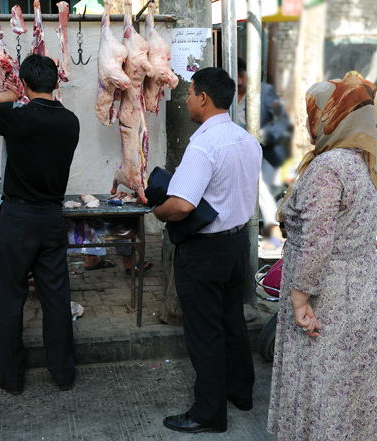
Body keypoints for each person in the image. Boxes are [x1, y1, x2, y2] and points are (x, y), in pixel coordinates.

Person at [267, 73, 377, 440]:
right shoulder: (369, 163)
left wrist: (300, 299)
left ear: (334, 117)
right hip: (363, 284)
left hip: (327, 293)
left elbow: (318, 242)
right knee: (350, 383)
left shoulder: (328, 167)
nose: (309, 121)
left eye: (315, 113)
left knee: (319, 380)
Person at [153, 67, 261, 433]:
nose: (186, 100)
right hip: (237, 244)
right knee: (231, 321)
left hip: (205, 252)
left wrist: (157, 211)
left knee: (205, 332)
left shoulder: (203, 144)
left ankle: (209, 413)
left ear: (203, 98)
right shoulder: (247, 140)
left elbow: (181, 205)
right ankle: (240, 393)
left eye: (190, 93)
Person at [0, 53, 80, 394]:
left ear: (26, 85)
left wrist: (9, 96)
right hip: (50, 217)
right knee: (56, 298)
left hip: (17, 220)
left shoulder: (17, 117)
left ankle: (13, 378)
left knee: (11, 297)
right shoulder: (70, 121)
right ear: (56, 83)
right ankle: (63, 374)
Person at [237, 57, 291, 249]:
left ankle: (273, 231)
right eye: (235, 76)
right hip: (238, 152)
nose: (239, 81)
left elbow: (282, 122)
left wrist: (263, 136)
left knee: (263, 187)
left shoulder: (265, 92)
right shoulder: (226, 95)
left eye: (242, 76)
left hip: (265, 151)